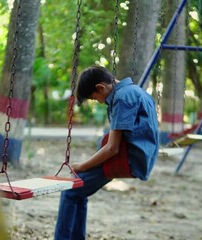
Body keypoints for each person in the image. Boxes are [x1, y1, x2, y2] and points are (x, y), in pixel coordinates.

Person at [54, 65, 160, 240]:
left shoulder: (122, 98)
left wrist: (81, 165)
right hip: (139, 156)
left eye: (95, 98)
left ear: (100, 88)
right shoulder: (136, 91)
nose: (100, 102)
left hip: (128, 159)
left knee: (70, 190)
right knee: (79, 191)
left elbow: (112, 148)